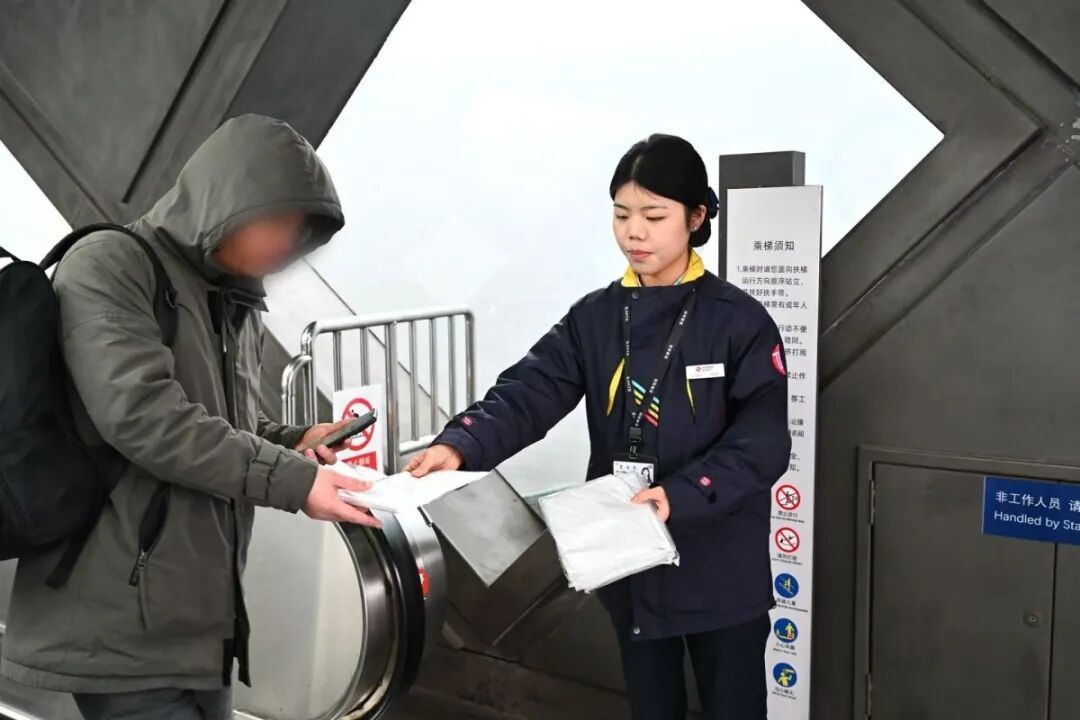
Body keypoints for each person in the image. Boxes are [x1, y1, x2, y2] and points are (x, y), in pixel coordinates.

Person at [0, 115, 378, 720]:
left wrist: (292, 440)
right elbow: (144, 416)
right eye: (279, 222)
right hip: (117, 618)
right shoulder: (111, 264)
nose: (289, 245)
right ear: (225, 201)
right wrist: (294, 481)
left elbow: (226, 423)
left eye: (302, 232)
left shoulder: (235, 302)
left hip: (198, 625)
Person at [407, 134, 791, 719]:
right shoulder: (596, 317)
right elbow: (528, 393)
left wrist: (682, 495)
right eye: (621, 214)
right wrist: (460, 445)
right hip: (630, 562)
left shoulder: (738, 321)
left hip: (720, 568)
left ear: (696, 217)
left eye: (654, 216)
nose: (634, 232)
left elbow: (762, 444)